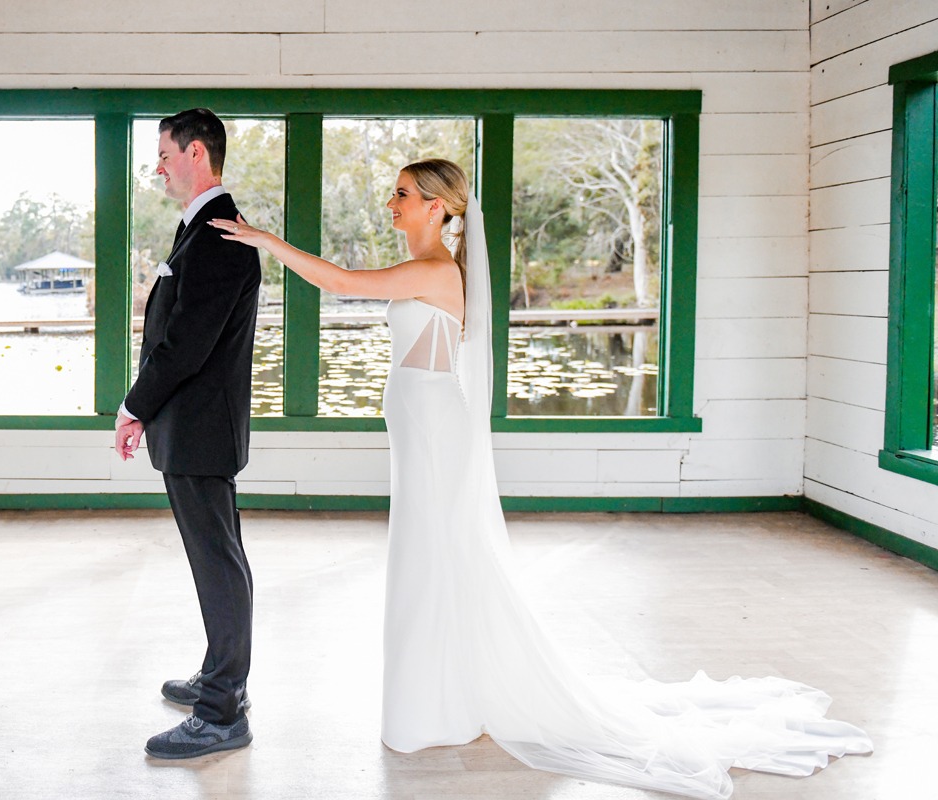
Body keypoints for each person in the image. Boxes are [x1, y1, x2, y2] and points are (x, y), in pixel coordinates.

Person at [211, 158, 872, 798]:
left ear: (437, 207)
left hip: (434, 428)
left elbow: (345, 285)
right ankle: (441, 697)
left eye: (404, 194)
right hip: (421, 425)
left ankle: (439, 705)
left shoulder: (437, 269)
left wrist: (267, 239)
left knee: (435, 555)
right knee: (429, 558)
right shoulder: (431, 267)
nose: (393, 203)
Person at [115, 108, 261, 759]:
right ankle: (222, 674)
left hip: (200, 432)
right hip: (194, 431)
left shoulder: (220, 237)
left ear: (197, 154)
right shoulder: (199, 232)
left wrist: (134, 404)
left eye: (165, 155)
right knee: (217, 560)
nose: (159, 167)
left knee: (219, 564)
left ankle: (223, 710)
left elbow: (185, 346)